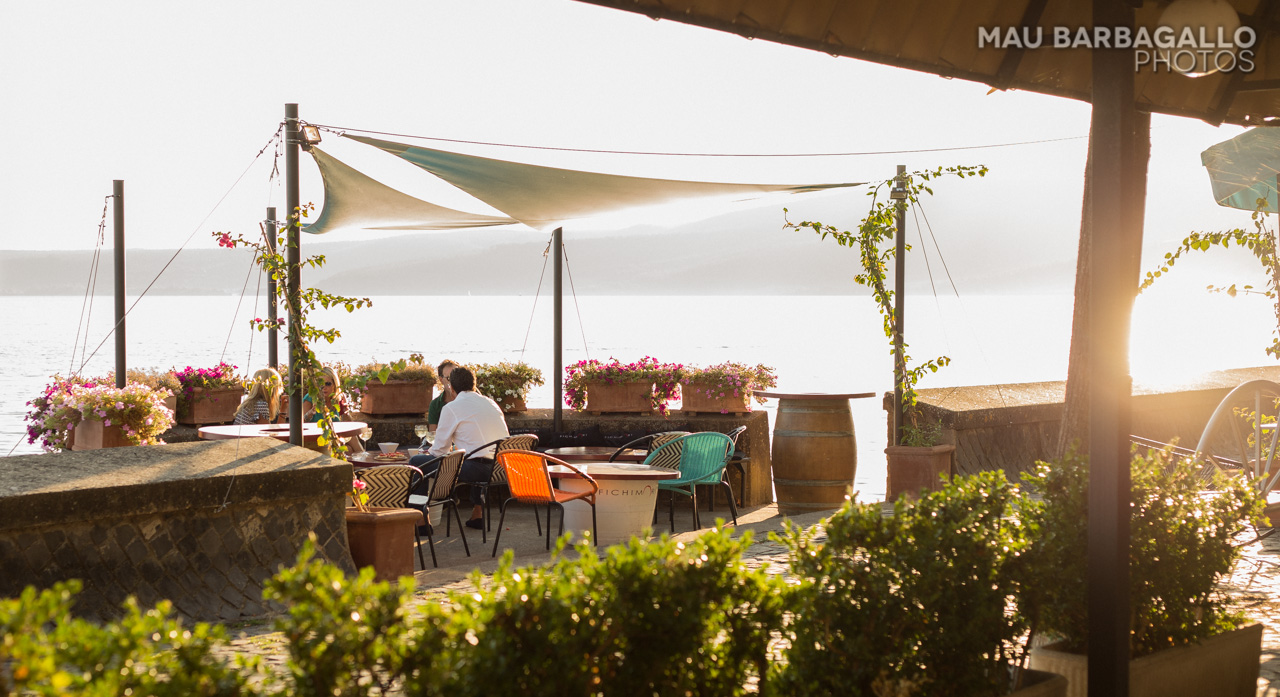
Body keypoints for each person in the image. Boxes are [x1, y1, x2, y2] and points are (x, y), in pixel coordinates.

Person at [411, 366, 508, 530]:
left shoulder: (451, 408)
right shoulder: (491, 403)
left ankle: (421, 520)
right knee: (474, 454)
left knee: (417, 462)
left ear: (451, 388)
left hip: (480, 470)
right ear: (474, 384)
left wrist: (426, 453)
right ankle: (478, 514)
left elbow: (440, 450)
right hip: (503, 467)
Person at [302, 365, 364, 452]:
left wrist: (345, 411)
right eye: (320, 384)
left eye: (327, 384)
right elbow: (300, 424)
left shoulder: (337, 399)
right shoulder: (311, 398)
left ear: (334, 385)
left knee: (350, 447)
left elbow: (348, 427)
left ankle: (363, 458)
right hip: (315, 439)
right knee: (348, 450)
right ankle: (364, 457)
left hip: (333, 438)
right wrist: (310, 413)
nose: (324, 387)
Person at [425, 359, 459, 434]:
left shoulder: (468, 400)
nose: (454, 381)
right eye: (449, 378)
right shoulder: (435, 404)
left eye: (457, 377)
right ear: (441, 380)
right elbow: (433, 436)